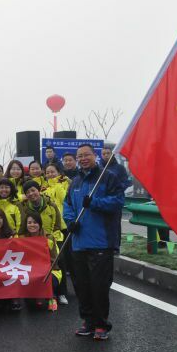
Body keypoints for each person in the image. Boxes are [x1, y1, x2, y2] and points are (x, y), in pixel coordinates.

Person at [63, 143, 125, 341]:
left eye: (86, 155)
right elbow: (67, 204)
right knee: (82, 285)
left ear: (94, 155)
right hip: (79, 242)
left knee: (99, 286)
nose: (82, 158)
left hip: (101, 242)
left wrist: (96, 203)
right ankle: (87, 322)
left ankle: (101, 324)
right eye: (79, 155)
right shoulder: (75, 181)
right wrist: (70, 221)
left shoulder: (108, 177)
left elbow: (118, 201)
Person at [20, 178, 69, 304]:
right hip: (33, 241)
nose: (31, 194)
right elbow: (24, 226)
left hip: (52, 238)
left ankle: (61, 292)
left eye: (33, 190)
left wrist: (50, 239)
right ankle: (37, 293)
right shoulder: (25, 208)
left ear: (38, 190)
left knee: (60, 260)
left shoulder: (50, 205)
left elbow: (57, 225)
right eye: (28, 192)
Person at [19, 212, 61, 312]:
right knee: (29, 303)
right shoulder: (22, 239)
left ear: (40, 224)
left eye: (35, 222)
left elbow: (54, 259)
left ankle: (52, 297)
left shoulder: (49, 238)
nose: (32, 225)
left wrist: (41, 266)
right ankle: (36, 296)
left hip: (49, 270)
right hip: (29, 271)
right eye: (29, 223)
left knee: (49, 278)